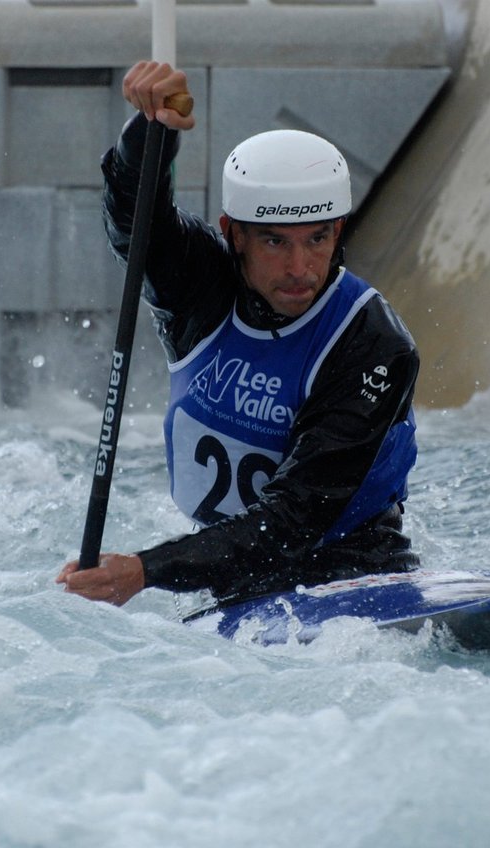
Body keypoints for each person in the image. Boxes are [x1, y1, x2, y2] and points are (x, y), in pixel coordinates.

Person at [57, 60, 420, 609]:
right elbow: (135, 223)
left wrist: (145, 571)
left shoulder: (373, 345)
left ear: (339, 229)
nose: (301, 268)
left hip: (352, 568)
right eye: (276, 243)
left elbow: (295, 517)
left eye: (318, 239)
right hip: (226, 580)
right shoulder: (201, 286)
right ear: (234, 234)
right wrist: (153, 130)